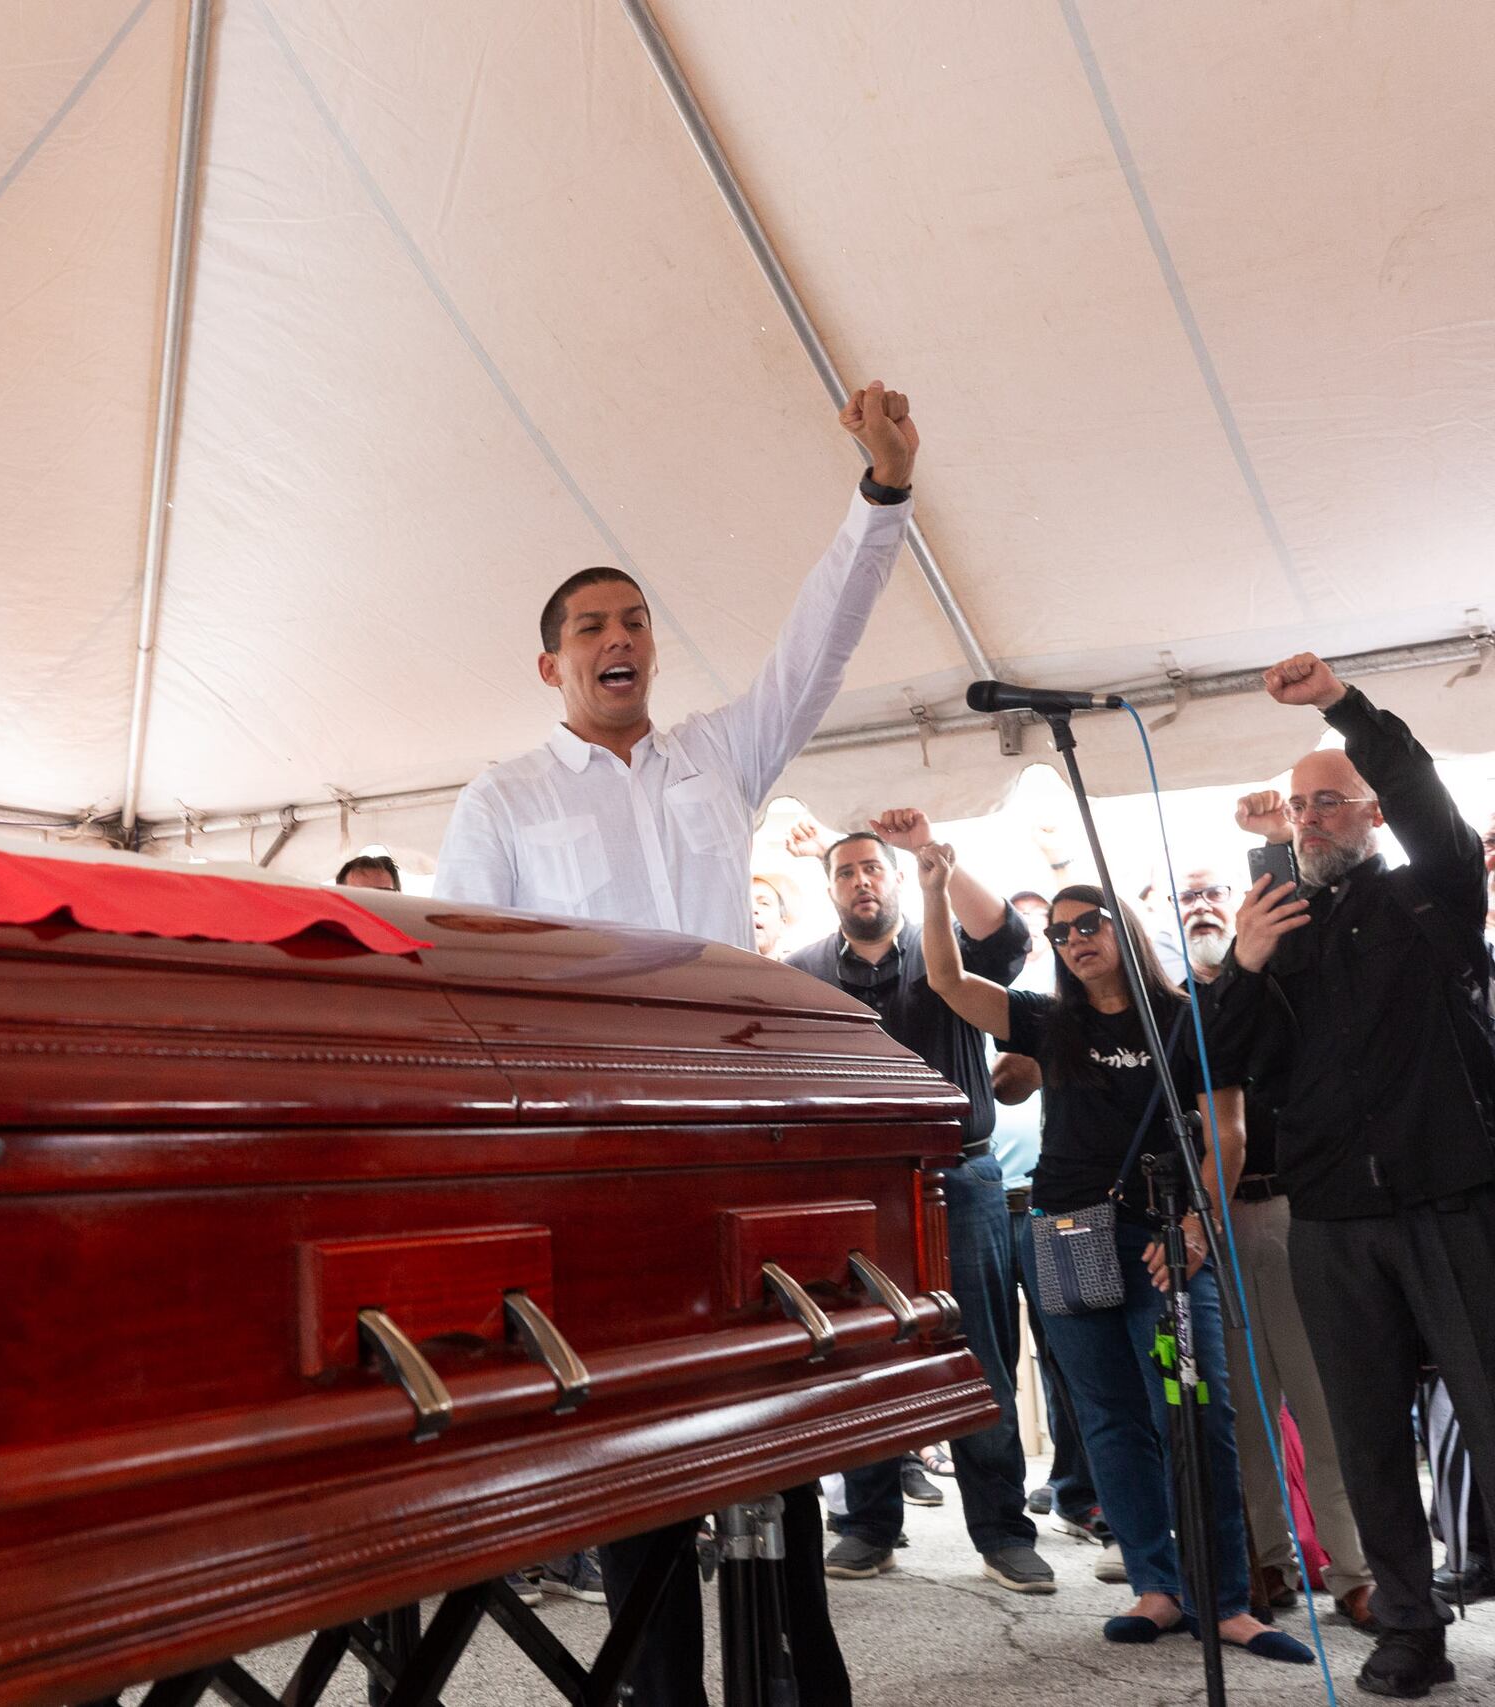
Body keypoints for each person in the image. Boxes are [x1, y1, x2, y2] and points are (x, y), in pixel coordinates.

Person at [435, 382, 924, 1707]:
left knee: (774, 1426)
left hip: (735, 1146)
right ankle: (660, 1686)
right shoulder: (506, 797)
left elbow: (814, 651)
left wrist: (880, 498)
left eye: (636, 618)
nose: (621, 636)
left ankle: (791, 1672)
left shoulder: (718, 757)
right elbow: (462, 986)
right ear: (551, 665)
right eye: (592, 623)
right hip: (592, 1160)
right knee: (643, 1451)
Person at [914, 843, 1312, 1664]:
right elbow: (952, 983)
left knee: (1197, 1412)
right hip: (1064, 1231)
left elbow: (1227, 1132)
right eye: (1059, 932)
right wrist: (933, 885)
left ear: (1123, 926)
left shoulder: (1190, 1014)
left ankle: (1227, 1598)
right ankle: (1157, 1589)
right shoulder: (1048, 1020)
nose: (1074, 939)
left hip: (1166, 1237)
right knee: (1107, 1419)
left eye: (1089, 923)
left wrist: (1198, 1231)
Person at [1216, 654, 1495, 1697]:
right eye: (1297, 809)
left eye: (1328, 803)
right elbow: (1223, 1061)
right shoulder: (1274, 928)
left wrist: (1343, 708)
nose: (1310, 821)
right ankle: (1409, 1629)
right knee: (1365, 1434)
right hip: (1330, 1222)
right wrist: (1238, 966)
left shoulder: (1433, 892)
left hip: (1451, 1200)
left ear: (1367, 814)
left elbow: (1427, 798)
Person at [783, 815, 1052, 1594]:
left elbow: (1009, 937)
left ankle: (1002, 1532)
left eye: (873, 868)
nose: (861, 880)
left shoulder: (950, 950)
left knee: (980, 1351)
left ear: (893, 878)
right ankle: (868, 1525)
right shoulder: (801, 970)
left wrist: (934, 858)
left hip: (959, 1177)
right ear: (829, 888)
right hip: (857, 1191)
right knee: (868, 1350)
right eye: (846, 872)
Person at [1175, 864, 1375, 1627]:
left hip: (1295, 1208)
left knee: (1325, 1400)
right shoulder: (1177, 1005)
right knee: (1245, 1411)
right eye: (1186, 896)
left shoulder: (1288, 982)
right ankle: (1265, 1561)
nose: (1201, 906)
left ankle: (1356, 1571)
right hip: (1214, 1221)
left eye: (1213, 893)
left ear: (1244, 904)